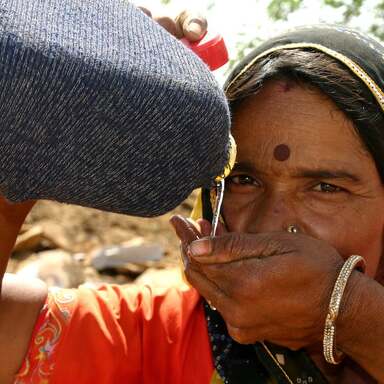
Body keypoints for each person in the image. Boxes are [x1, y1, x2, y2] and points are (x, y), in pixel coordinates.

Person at [2, 16, 384, 384]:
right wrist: (35, 94)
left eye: (325, 188)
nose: (267, 225)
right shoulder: (164, 335)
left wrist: (351, 314)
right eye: (244, 180)